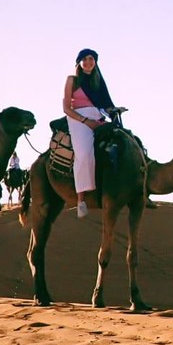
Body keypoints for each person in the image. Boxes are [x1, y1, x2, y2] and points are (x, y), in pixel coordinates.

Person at [63, 48, 118, 218]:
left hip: (98, 116)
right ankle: (81, 199)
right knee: (84, 153)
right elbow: (66, 108)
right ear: (79, 62)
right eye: (85, 59)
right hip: (78, 118)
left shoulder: (98, 81)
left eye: (91, 59)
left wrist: (114, 110)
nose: (88, 62)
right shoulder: (72, 80)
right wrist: (86, 121)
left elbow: (106, 104)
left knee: (123, 141)